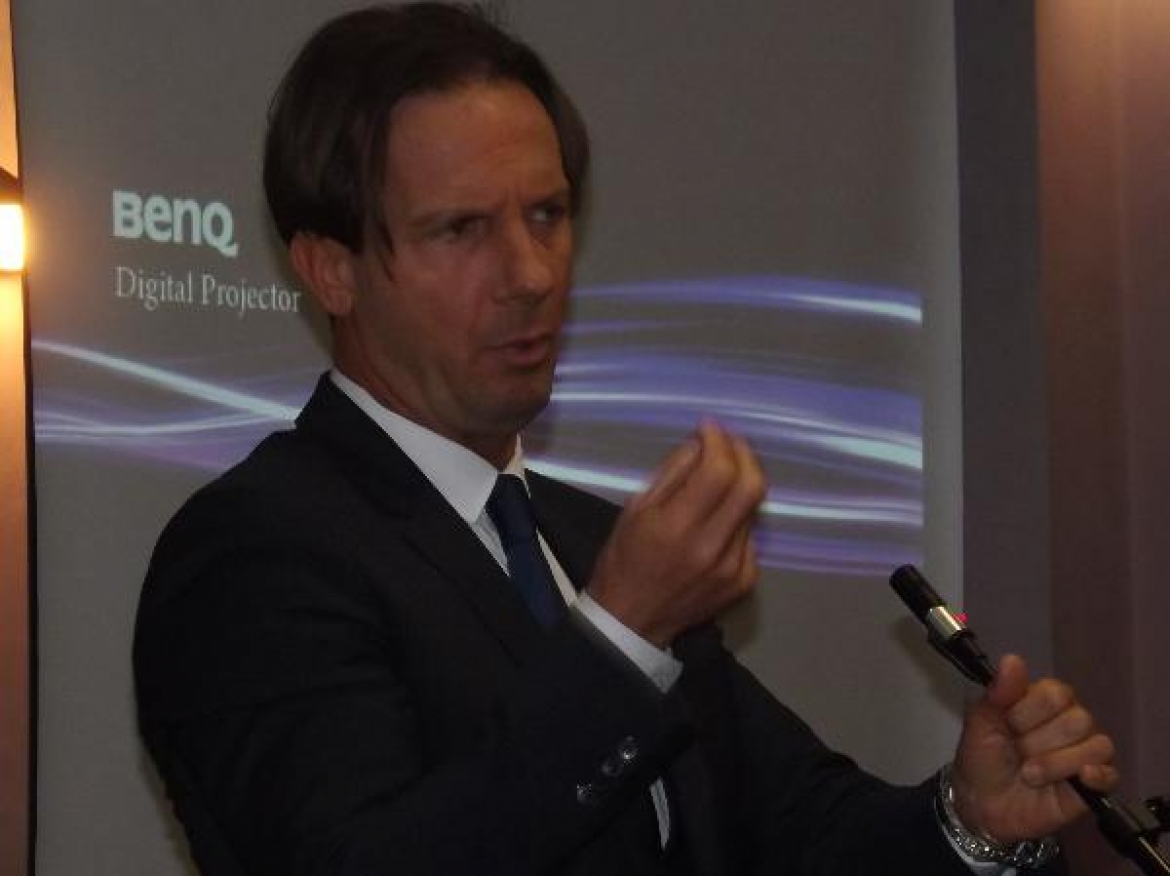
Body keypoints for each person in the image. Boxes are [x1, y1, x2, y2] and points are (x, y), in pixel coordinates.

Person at [133, 4, 1118, 875]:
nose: (531, 273)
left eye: (548, 214)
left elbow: (804, 835)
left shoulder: (590, 544)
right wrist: (618, 635)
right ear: (331, 270)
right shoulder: (254, 555)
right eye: (461, 229)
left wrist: (972, 822)